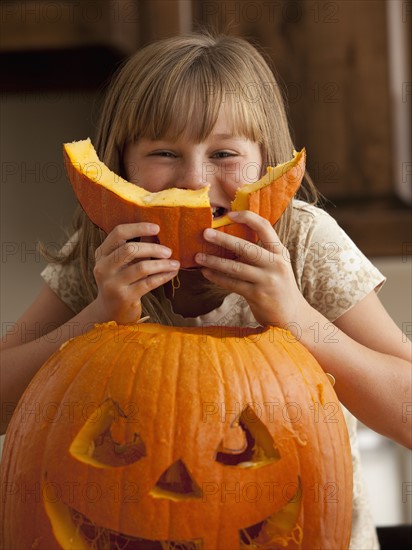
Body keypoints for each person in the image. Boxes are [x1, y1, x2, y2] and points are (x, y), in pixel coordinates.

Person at [1, 32, 410, 548]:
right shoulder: (101, 254)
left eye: (223, 153)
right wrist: (99, 315)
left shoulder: (302, 242)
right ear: (119, 164)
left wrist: (296, 316)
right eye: (164, 152)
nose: (194, 180)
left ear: (266, 163)